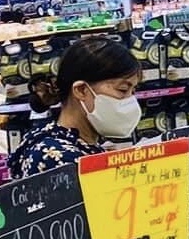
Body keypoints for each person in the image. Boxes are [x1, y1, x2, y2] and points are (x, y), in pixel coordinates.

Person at [9, 36, 142, 179]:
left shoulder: (75, 143)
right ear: (81, 90)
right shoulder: (57, 159)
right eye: (122, 90)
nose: (130, 100)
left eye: (133, 91)